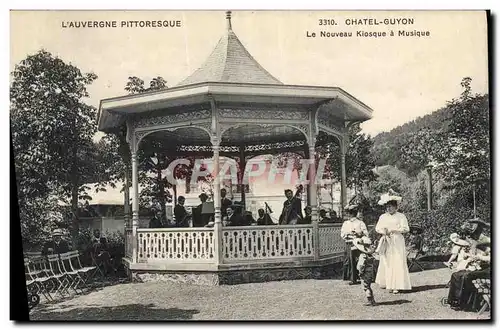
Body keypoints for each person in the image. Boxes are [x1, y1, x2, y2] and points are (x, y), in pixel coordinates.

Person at [374, 192, 412, 293]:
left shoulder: (401, 216)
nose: (389, 209)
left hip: (397, 240)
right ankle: (388, 283)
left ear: (395, 207)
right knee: (387, 261)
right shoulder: (383, 217)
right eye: (387, 207)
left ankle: (397, 285)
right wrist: (383, 231)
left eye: (391, 207)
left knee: (397, 261)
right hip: (387, 240)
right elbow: (377, 228)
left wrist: (395, 230)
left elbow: (406, 228)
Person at [446, 242, 491, 311]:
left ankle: (465, 303)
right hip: (486, 268)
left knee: (467, 276)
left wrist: (480, 257)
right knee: (456, 275)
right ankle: (454, 301)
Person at [341, 204, 368, 285]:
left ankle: (359, 277)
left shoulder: (360, 223)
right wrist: (348, 235)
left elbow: (366, 234)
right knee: (349, 260)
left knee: (357, 260)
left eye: (351, 213)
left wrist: (359, 234)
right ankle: (351, 278)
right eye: (348, 213)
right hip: (349, 242)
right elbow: (342, 233)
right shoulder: (346, 223)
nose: (349, 215)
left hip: (358, 244)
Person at [352, 235, 377, 306]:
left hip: (364, 273)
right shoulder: (371, 255)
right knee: (368, 286)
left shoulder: (362, 256)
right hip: (370, 272)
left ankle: (370, 300)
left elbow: (361, 265)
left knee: (365, 287)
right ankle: (372, 300)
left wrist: (360, 272)